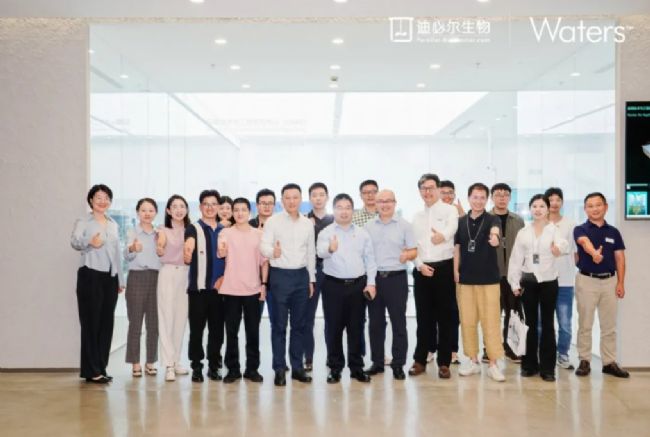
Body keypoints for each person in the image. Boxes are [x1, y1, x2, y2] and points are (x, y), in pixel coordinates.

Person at [317, 193, 377, 384]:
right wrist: (331, 249)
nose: (344, 211)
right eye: (340, 207)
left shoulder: (362, 233)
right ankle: (335, 368)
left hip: (357, 286)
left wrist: (371, 283)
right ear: (334, 210)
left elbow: (370, 260)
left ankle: (356, 368)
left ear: (353, 210)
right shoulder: (326, 232)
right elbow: (320, 252)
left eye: (347, 207)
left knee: (356, 327)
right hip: (333, 286)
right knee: (333, 328)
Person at [261, 183, 316, 386]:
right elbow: (263, 246)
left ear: (301, 199)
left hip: (301, 277)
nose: (292, 201)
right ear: (282, 200)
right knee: (279, 326)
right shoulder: (273, 221)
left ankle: (297, 368)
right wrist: (272, 252)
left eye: (295, 197)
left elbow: (311, 252)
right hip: (280, 277)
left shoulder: (307, 223)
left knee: (299, 325)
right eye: (287, 197)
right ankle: (279, 369)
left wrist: (311, 279)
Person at [508, 194, 568, 382]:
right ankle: (529, 365)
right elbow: (516, 259)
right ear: (530, 209)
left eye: (542, 206)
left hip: (549, 282)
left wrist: (559, 249)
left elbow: (563, 244)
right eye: (534, 206)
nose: (538, 209)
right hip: (528, 282)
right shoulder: (523, 232)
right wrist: (514, 283)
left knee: (548, 324)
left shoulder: (554, 230)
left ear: (548, 209)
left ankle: (548, 368)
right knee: (530, 324)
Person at [71, 184, 124, 383]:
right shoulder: (84, 221)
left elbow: (117, 253)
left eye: (106, 198)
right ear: (91, 200)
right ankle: (91, 370)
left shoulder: (113, 224)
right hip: (90, 275)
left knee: (106, 324)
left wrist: (120, 279)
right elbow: (75, 241)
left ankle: (101, 367)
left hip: (110, 278)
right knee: (90, 323)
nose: (103, 201)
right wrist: (89, 242)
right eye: (98, 197)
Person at [454, 183, 506, 382]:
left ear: (487, 199)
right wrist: (455, 271)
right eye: (475, 197)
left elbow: (495, 232)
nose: (478, 201)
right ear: (469, 198)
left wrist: (495, 238)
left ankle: (493, 363)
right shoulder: (461, 222)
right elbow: (457, 248)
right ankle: (473, 361)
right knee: (467, 321)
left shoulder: (493, 219)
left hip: (489, 280)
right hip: (465, 279)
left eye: (482, 197)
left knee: (491, 321)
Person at [574, 192, 629, 378]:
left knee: (609, 325)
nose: (595, 209)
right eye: (590, 206)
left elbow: (620, 258)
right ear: (585, 209)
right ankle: (584, 360)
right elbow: (584, 242)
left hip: (610, 282)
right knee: (585, 324)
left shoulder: (614, 232)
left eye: (598, 205)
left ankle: (609, 362)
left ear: (605, 207)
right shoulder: (580, 229)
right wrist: (594, 254)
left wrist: (620, 282)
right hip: (586, 281)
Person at [410, 174, 459, 378]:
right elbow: (412, 246)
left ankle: (444, 362)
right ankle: (420, 359)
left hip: (444, 269)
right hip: (422, 270)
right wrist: (419, 265)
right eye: (424, 188)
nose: (427, 192)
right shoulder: (416, 217)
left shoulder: (450, 210)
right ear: (420, 191)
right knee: (423, 318)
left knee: (445, 318)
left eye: (431, 187)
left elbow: (452, 228)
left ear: (439, 189)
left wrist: (443, 236)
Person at [365, 190, 416, 380]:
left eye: (388, 201)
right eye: (381, 201)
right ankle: (377, 363)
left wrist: (407, 255)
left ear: (395, 203)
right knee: (375, 323)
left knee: (399, 323)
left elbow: (414, 251)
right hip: (375, 279)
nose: (385, 204)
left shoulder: (405, 226)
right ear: (376, 204)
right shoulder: (368, 227)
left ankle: (398, 364)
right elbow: (365, 254)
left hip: (397, 279)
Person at [218, 198, 268, 383]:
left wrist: (264, 284)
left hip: (253, 290)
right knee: (231, 333)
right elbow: (221, 253)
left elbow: (264, 263)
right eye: (236, 210)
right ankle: (233, 369)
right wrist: (222, 249)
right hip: (231, 290)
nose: (239, 213)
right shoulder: (225, 232)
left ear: (249, 212)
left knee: (252, 332)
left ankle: (252, 369)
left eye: (243, 210)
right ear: (232, 212)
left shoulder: (259, 234)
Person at [184, 189, 226, 383]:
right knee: (197, 330)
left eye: (214, 204)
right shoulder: (193, 228)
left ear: (219, 207)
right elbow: (189, 245)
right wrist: (187, 252)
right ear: (201, 207)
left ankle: (214, 366)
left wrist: (225, 277)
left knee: (217, 331)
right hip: (198, 290)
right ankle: (196, 366)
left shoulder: (224, 231)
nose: (210, 208)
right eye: (206, 204)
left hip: (220, 290)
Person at [124, 197, 161, 377]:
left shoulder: (159, 233)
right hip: (136, 278)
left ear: (156, 213)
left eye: (151, 210)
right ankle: (135, 363)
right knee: (135, 323)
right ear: (138, 212)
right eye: (143, 210)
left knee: (154, 324)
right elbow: (126, 256)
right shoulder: (132, 232)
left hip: (156, 278)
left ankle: (150, 361)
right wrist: (132, 248)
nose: (147, 213)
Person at [156, 194, 191, 382]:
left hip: (186, 275)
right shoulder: (163, 230)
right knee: (166, 318)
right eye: (175, 206)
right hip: (168, 273)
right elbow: (160, 244)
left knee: (180, 319)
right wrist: (160, 248)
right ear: (168, 210)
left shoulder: (191, 230)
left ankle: (176, 360)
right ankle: (168, 364)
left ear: (187, 209)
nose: (179, 209)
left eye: (182, 206)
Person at [490, 182, 525, 362]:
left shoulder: (518, 220)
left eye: (505, 195)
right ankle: (490, 349)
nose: (502, 198)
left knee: (513, 313)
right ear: (492, 197)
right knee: (491, 315)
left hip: (512, 276)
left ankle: (511, 348)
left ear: (510, 198)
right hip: (491, 275)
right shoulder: (486, 219)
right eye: (498, 194)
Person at [545, 187, 577, 370]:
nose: (554, 203)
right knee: (542, 322)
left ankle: (563, 354)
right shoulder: (539, 224)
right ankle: (543, 354)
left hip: (565, 281)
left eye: (558, 199)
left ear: (562, 202)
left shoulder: (570, 225)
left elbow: (576, 253)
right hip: (543, 281)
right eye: (551, 199)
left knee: (564, 322)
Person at [304, 182, 334, 371]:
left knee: (332, 318)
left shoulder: (335, 220)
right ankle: (308, 358)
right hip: (312, 273)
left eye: (321, 194)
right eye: (314, 195)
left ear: (327, 197)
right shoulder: (304, 220)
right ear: (310, 198)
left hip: (332, 272)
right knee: (308, 318)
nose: (318, 198)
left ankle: (332, 357)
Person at [438, 179, 464, 365]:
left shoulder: (458, 214)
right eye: (444, 192)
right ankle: (432, 349)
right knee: (435, 311)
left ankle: (453, 351)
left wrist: (462, 215)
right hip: (437, 266)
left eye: (450, 193)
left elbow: (462, 243)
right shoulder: (433, 213)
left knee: (453, 312)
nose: (447, 196)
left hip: (456, 269)